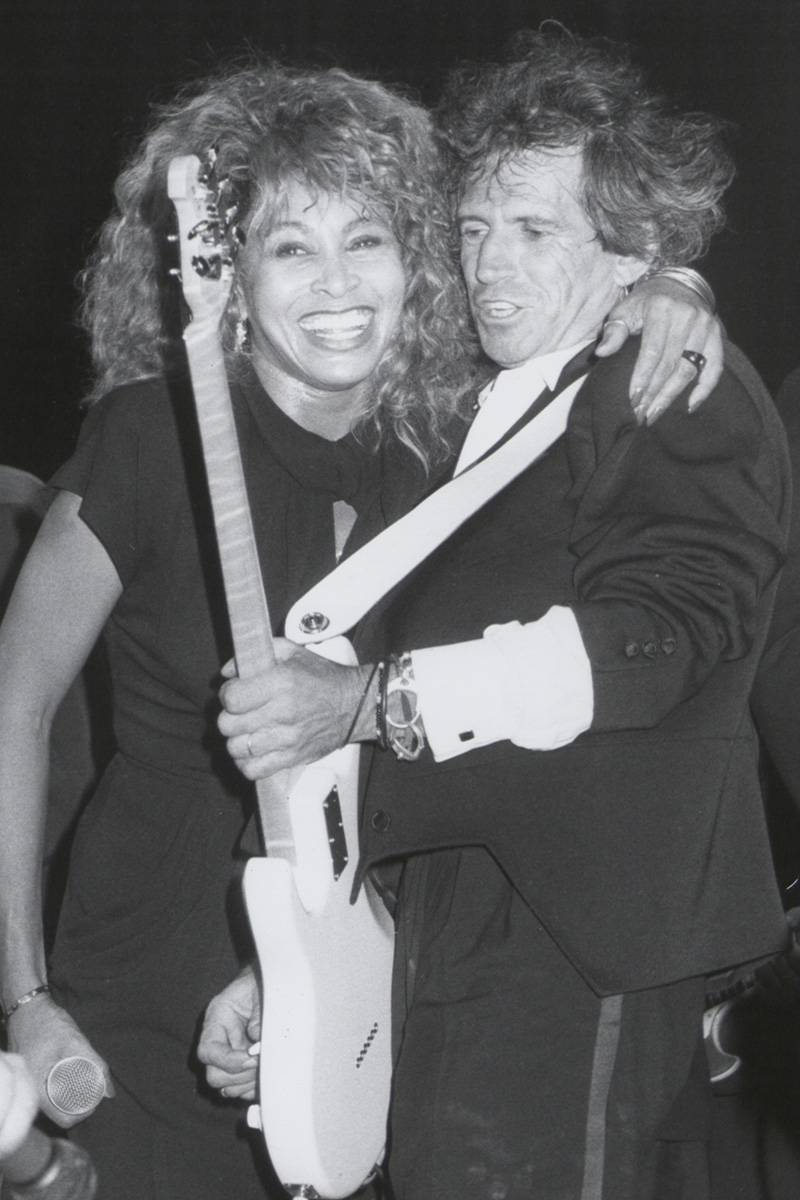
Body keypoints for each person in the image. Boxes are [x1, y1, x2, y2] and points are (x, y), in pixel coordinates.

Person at [0, 53, 720, 1200]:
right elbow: (14, 706)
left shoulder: (442, 466)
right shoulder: (153, 438)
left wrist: (668, 285)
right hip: (135, 991)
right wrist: (25, 1002)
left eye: (366, 239)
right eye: (290, 247)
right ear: (228, 275)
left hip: (355, 989)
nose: (334, 284)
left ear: (414, 261)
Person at [205, 31, 790, 1200]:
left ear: (634, 251)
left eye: (532, 229)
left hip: (572, 932)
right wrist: (295, 951)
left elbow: (658, 639)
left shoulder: (665, 379)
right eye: (473, 229)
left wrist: (366, 701)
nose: (487, 263)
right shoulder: (490, 420)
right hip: (451, 915)